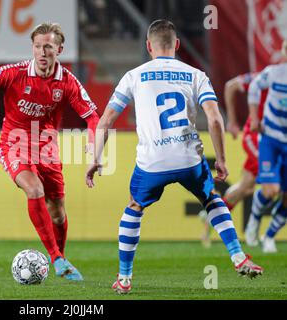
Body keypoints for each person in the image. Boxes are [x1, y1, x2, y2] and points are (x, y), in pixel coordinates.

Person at [85, 19, 263, 294]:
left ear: (148, 46)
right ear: (177, 45)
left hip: (152, 161)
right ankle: (238, 256)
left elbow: (106, 120)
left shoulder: (134, 75)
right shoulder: (195, 74)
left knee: (134, 206)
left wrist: (96, 157)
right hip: (189, 158)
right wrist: (222, 159)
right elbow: (215, 119)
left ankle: (124, 278)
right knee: (211, 198)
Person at [0, 22, 100, 281]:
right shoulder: (16, 73)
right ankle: (56, 258)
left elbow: (92, 117)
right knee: (34, 189)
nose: (42, 52)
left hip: (47, 148)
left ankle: (62, 258)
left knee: (57, 211)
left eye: (48, 47)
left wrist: (94, 145)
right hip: (13, 143)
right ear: (32, 48)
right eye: (37, 46)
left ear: (59, 49)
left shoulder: (67, 81)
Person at [198, 71, 270, 248]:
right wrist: (232, 119)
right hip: (255, 137)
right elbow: (231, 86)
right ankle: (255, 231)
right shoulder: (267, 76)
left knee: (246, 187)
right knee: (273, 181)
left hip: (272, 140)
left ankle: (211, 217)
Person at [245, 40, 287, 254]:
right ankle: (254, 220)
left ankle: (269, 236)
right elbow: (253, 86)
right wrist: (254, 117)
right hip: (270, 137)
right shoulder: (274, 73)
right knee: (271, 190)